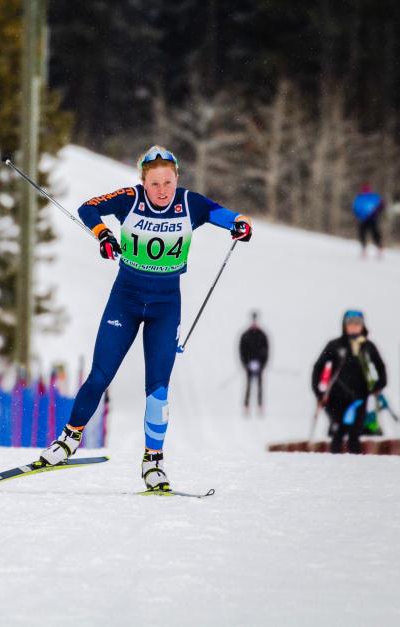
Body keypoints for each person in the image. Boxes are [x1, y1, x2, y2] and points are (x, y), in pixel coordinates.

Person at [38, 145, 252, 491]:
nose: (162, 191)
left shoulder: (190, 204)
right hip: (126, 299)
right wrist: (103, 235)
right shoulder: (130, 198)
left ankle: (153, 461)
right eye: (154, 183)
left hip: (166, 307)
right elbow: (88, 208)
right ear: (143, 181)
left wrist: (240, 224)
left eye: (167, 182)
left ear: (177, 179)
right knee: (100, 375)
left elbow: (226, 215)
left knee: (158, 389)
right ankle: (68, 440)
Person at [310, 309, 387, 454]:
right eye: (350, 323)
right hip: (336, 398)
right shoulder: (335, 345)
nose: (353, 326)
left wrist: (379, 384)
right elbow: (318, 366)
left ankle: (354, 470)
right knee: (338, 432)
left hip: (360, 397)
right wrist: (318, 391)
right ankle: (335, 467)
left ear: (362, 325)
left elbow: (380, 366)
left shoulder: (367, 346)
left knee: (355, 435)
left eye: (357, 323)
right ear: (344, 325)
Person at [238, 311, 269, 416]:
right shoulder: (246, 335)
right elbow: (242, 350)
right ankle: (246, 406)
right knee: (248, 387)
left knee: (259, 387)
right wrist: (245, 364)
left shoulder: (262, 335)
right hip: (249, 365)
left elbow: (266, 350)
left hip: (259, 365)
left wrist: (263, 364)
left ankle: (260, 406)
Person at [352, 183, 384, 258]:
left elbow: (381, 205)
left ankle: (379, 248)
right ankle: (365, 249)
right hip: (364, 219)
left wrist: (376, 213)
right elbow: (355, 208)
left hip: (371, 218)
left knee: (374, 233)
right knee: (363, 234)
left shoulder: (373, 197)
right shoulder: (360, 198)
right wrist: (358, 215)